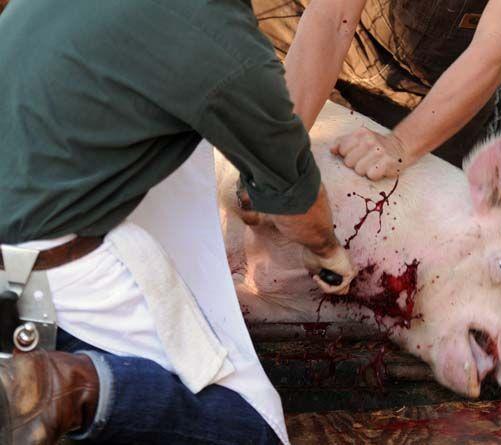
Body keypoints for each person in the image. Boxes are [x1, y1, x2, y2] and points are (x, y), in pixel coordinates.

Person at [0, 1, 356, 444]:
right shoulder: (217, 39)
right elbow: (296, 207)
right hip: (53, 270)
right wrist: (326, 249)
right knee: (252, 433)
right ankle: (70, 385)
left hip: (17, 242)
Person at [253, 0, 501, 173]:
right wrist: (280, 145)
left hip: (430, 90)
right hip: (340, 28)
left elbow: (494, 53)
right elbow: (333, 17)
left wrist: (400, 146)